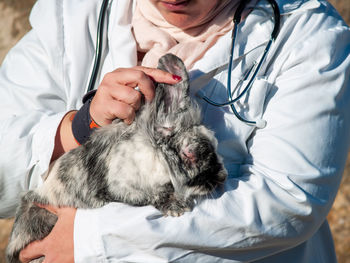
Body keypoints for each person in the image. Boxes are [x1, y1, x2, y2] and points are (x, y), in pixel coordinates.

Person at [0, 0, 349, 262]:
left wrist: (93, 241)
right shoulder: (74, 12)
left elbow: (290, 199)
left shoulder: (306, 34)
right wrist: (78, 127)